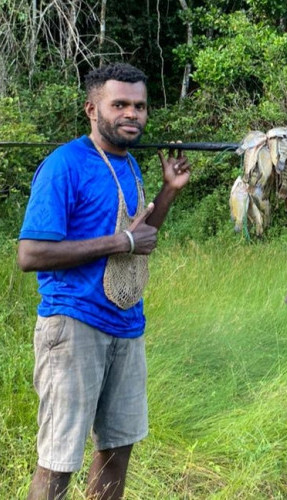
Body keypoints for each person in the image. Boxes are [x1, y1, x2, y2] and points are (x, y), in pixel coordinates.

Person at [17, 62, 191, 500]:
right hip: (73, 325)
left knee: (117, 450)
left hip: (126, 326)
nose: (132, 114)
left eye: (139, 106)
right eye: (120, 105)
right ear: (92, 109)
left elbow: (141, 238)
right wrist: (120, 241)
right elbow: (30, 254)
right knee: (58, 461)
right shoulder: (65, 165)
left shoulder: (130, 165)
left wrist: (168, 190)